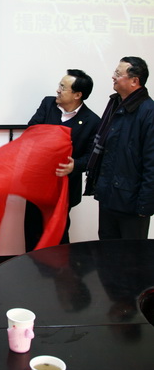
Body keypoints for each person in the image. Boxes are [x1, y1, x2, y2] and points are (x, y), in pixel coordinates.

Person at [25, 69, 100, 250]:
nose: (58, 90)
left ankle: (60, 267)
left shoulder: (92, 120)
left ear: (77, 95)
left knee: (58, 233)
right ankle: (29, 265)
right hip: (37, 183)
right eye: (60, 85)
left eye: (63, 87)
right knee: (32, 230)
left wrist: (75, 165)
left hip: (64, 188)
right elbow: (32, 130)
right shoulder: (48, 104)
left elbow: (91, 156)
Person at [85, 56, 154, 240]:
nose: (113, 76)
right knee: (106, 251)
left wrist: (145, 206)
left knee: (132, 254)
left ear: (134, 81)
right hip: (108, 195)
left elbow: (151, 164)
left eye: (118, 73)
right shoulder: (115, 104)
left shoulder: (148, 112)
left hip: (132, 203)